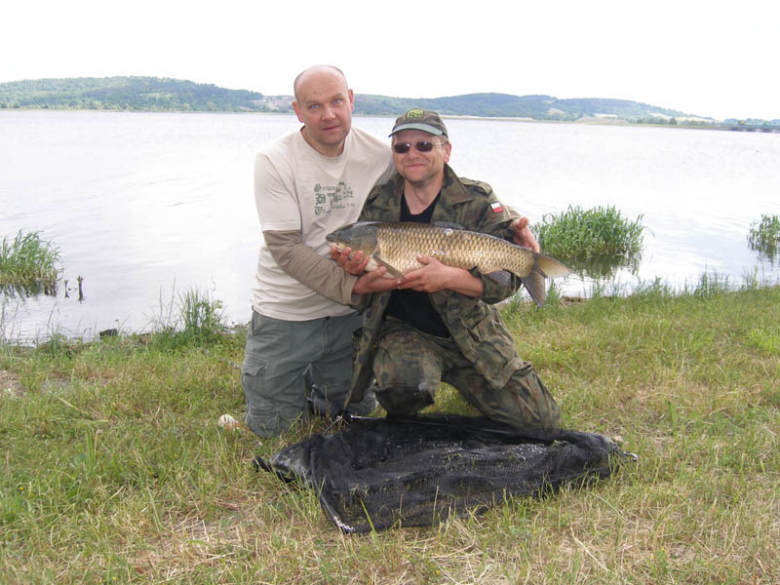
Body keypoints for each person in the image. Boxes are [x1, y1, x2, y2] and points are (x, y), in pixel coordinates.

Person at [244, 65, 542, 438]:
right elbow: (285, 248)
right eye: (314, 106)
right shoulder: (274, 159)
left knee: (353, 415)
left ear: (351, 100)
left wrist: (513, 227)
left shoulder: (377, 153)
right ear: (298, 111)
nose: (329, 114)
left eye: (336, 101)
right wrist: (354, 283)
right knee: (274, 430)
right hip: (289, 306)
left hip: (367, 317)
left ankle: (323, 385)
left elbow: (443, 182)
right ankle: (300, 383)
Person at [337, 109, 561, 430]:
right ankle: (410, 401)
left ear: (446, 150)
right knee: (404, 388)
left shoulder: (478, 201)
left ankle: (474, 387)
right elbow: (365, 284)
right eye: (401, 147)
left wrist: (451, 278)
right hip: (405, 331)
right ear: (394, 155)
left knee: (542, 424)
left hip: (469, 330)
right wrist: (357, 271)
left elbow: (504, 284)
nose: (412, 153)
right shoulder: (379, 203)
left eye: (424, 145)